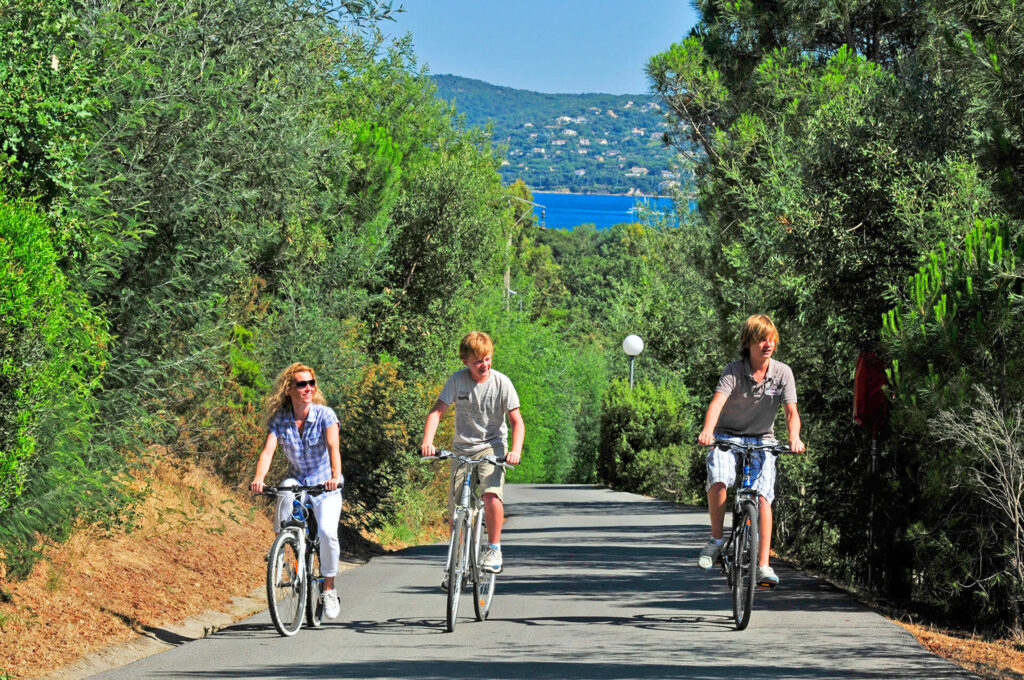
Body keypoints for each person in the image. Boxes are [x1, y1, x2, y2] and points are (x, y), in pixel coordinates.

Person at [696, 314, 805, 587]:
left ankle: (764, 564)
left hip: (762, 440)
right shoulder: (734, 370)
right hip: (727, 437)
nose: (768, 345)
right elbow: (717, 403)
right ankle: (717, 540)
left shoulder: (783, 373)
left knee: (764, 497)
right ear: (748, 343)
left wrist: (795, 437)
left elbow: (791, 412)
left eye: (771, 339)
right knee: (719, 478)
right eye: (761, 340)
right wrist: (708, 431)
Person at [421, 332, 525, 586]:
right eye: (478, 360)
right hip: (461, 450)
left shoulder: (502, 383)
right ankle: (456, 564)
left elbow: (516, 422)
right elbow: (436, 412)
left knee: (491, 494)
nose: (484, 365)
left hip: (492, 448)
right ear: (465, 360)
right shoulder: (457, 381)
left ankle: (494, 548)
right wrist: (427, 442)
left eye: (487, 359)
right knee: (457, 512)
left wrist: (515, 450)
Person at [251, 363, 344, 619]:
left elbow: (334, 448)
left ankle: (329, 589)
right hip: (299, 481)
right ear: (288, 389)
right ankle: (283, 548)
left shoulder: (325, 415)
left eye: (311, 383)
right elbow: (268, 452)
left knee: (327, 533)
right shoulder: (280, 419)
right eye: (301, 384)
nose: (308, 388)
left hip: (326, 485)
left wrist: (335, 477)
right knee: (284, 488)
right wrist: (259, 478)